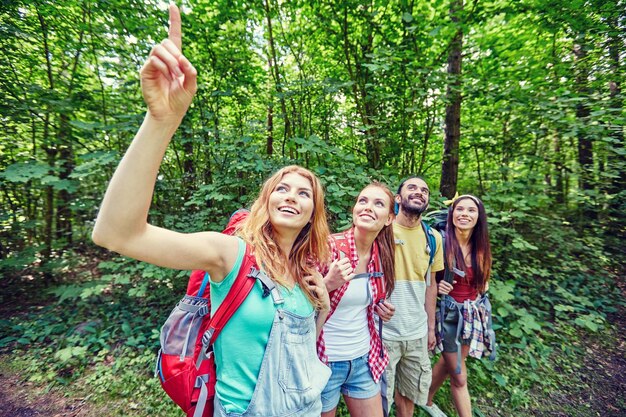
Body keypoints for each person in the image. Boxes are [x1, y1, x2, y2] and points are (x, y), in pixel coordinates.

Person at [91, 5, 331, 416]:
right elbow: (117, 233)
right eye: (282, 188)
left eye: (304, 193)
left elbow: (300, 353)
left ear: (313, 214)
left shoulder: (306, 270)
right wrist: (161, 120)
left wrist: (322, 306)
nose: (292, 196)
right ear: (266, 202)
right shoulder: (231, 254)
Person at [317, 182, 397, 417]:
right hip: (324, 360)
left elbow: (362, 303)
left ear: (389, 219)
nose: (367, 207)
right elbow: (294, 304)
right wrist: (328, 283)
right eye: (362, 201)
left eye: (378, 204)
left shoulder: (382, 255)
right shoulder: (328, 247)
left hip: (363, 358)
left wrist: (381, 310)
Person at [421, 195, 494, 417]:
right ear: (452, 214)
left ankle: (424, 398)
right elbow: (426, 278)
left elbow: (483, 283)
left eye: (471, 210)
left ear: (478, 216)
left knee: (449, 362)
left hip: (472, 314)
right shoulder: (441, 241)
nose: (464, 214)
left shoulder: (480, 246)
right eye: (459, 209)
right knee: (459, 375)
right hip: (449, 314)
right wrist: (440, 285)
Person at [381, 176, 444, 417]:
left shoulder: (434, 238)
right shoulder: (382, 231)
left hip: (416, 334)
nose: (420, 192)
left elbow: (431, 286)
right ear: (398, 198)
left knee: (408, 397)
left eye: (425, 190)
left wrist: (430, 328)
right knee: (379, 401)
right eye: (412, 188)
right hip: (383, 332)